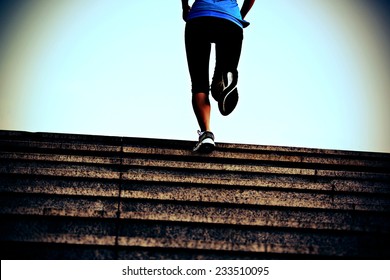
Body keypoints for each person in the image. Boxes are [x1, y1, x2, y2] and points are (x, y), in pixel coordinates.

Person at [182, 0, 255, 153]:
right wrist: (240, 14)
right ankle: (225, 80)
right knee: (220, 82)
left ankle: (207, 134)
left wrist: (184, 7)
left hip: (199, 18)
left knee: (199, 84)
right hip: (230, 20)